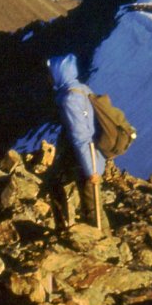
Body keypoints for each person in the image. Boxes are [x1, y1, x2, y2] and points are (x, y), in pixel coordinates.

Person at [46, 53, 109, 231]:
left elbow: (81, 137)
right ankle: (68, 230)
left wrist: (92, 171)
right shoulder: (82, 89)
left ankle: (104, 247)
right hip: (88, 156)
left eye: (51, 73)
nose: (48, 77)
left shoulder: (70, 99)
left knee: (92, 207)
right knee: (56, 183)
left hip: (86, 160)